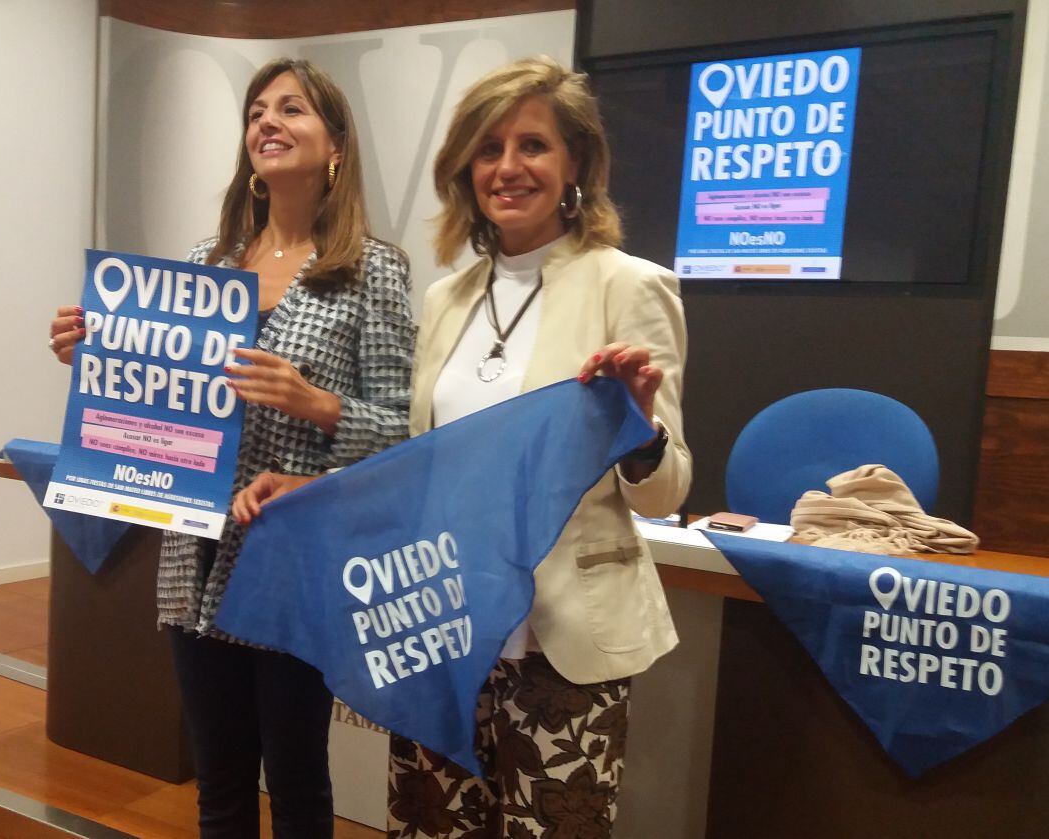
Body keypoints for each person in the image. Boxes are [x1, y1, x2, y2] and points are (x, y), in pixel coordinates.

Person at [234, 55, 690, 838]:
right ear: (465, 170)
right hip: (439, 633)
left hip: (562, 642)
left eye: (533, 146)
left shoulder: (629, 285)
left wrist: (642, 432)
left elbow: (665, 491)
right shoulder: (448, 299)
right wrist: (310, 487)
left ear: (575, 162)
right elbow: (421, 465)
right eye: (489, 148)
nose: (508, 167)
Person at [49, 58, 414, 838]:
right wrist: (96, 357)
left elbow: (401, 430)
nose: (267, 122)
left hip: (295, 562)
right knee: (217, 783)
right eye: (256, 111)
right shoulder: (202, 267)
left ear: (337, 145)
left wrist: (314, 402)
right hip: (196, 555)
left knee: (296, 780)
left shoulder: (373, 270)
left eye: (292, 109)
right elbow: (156, 392)